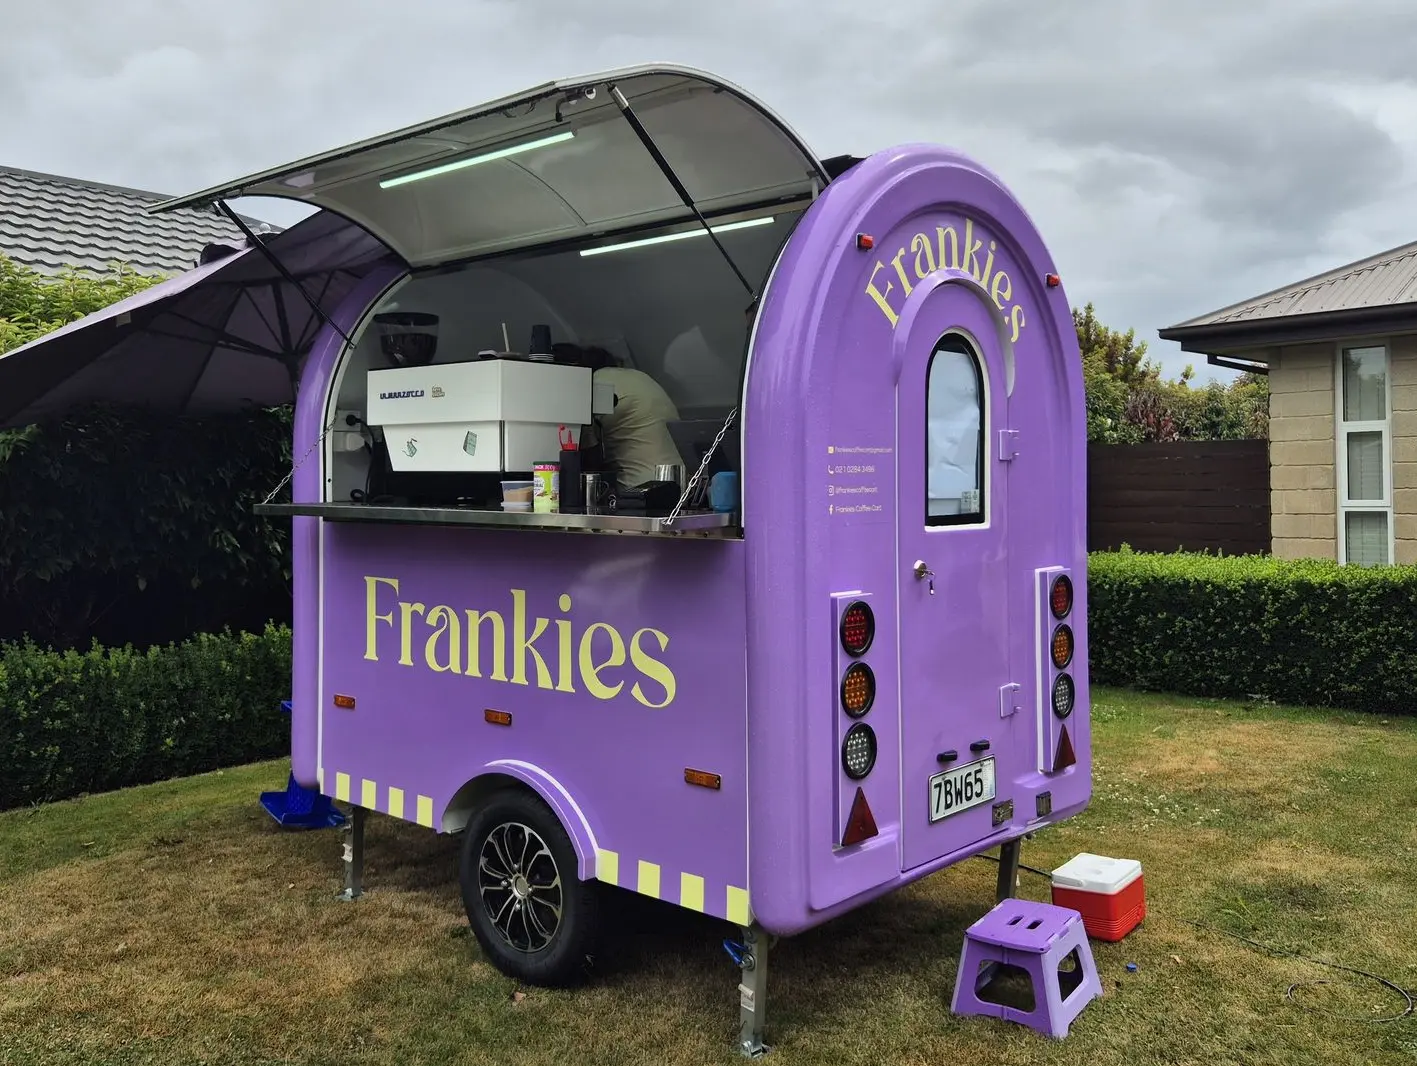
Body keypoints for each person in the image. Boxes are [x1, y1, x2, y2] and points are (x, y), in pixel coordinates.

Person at [579, 346, 686, 490]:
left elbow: (586, 457)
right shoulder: (641, 377)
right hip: (682, 483)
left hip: (642, 488)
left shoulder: (597, 383)